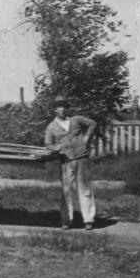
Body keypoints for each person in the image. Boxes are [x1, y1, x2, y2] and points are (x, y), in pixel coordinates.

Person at [44, 98, 99, 229]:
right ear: (55, 110)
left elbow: (92, 123)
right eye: (59, 107)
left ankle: (88, 220)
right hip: (66, 161)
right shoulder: (51, 127)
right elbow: (48, 144)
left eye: (64, 107)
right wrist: (56, 149)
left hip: (82, 157)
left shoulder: (76, 120)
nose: (63, 109)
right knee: (67, 191)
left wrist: (86, 138)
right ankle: (66, 221)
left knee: (85, 189)